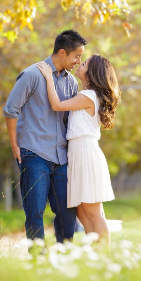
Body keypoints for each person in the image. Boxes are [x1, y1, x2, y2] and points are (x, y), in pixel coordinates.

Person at [3, 30, 87, 242]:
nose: (79, 61)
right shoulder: (32, 75)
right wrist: (15, 146)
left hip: (62, 158)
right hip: (34, 154)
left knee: (68, 214)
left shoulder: (72, 83)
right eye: (76, 56)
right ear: (62, 53)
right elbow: (10, 110)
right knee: (35, 213)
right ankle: (37, 259)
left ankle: (65, 255)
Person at [37, 55, 120, 245]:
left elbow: (57, 105)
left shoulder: (89, 96)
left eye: (84, 64)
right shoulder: (87, 95)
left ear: (91, 73)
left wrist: (49, 78)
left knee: (93, 212)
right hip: (77, 153)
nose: (79, 64)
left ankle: (103, 259)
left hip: (84, 153)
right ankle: (95, 255)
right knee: (82, 213)